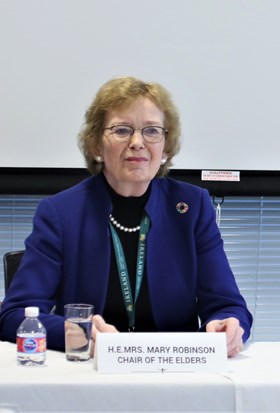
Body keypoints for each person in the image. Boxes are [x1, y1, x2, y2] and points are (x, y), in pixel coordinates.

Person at [0, 76, 252, 357]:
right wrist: (74, 332)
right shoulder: (60, 214)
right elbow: (14, 315)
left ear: (166, 148)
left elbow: (228, 304)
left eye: (152, 131)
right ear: (96, 146)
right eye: (121, 130)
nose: (137, 142)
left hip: (175, 370)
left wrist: (228, 325)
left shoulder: (192, 207)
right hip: (90, 373)